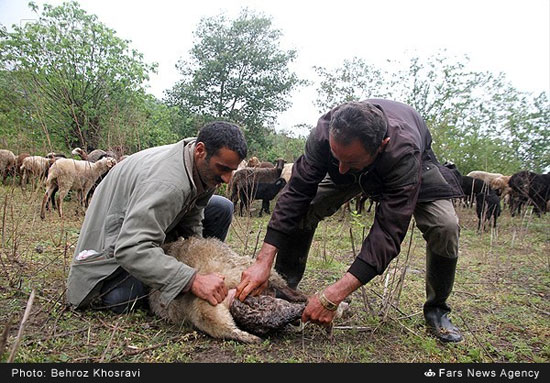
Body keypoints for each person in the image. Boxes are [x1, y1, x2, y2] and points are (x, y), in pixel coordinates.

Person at [236, 99, 465, 342]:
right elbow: (297, 192)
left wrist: (334, 295)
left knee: (445, 226)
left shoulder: (403, 153)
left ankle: (437, 309)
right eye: (336, 157)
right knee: (305, 207)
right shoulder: (324, 133)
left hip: (411, 165)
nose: (342, 169)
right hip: (358, 159)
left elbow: (388, 231)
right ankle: (285, 288)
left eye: (351, 161)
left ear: (381, 145)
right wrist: (263, 261)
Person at [66, 121, 247, 314]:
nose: (228, 179)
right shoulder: (168, 184)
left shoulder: (203, 167)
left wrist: (201, 261)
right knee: (123, 300)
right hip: (113, 246)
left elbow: (193, 220)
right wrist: (193, 280)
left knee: (222, 207)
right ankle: (147, 279)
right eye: (223, 169)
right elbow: (129, 248)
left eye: (231, 170)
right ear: (200, 150)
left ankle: (167, 271)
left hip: (145, 225)